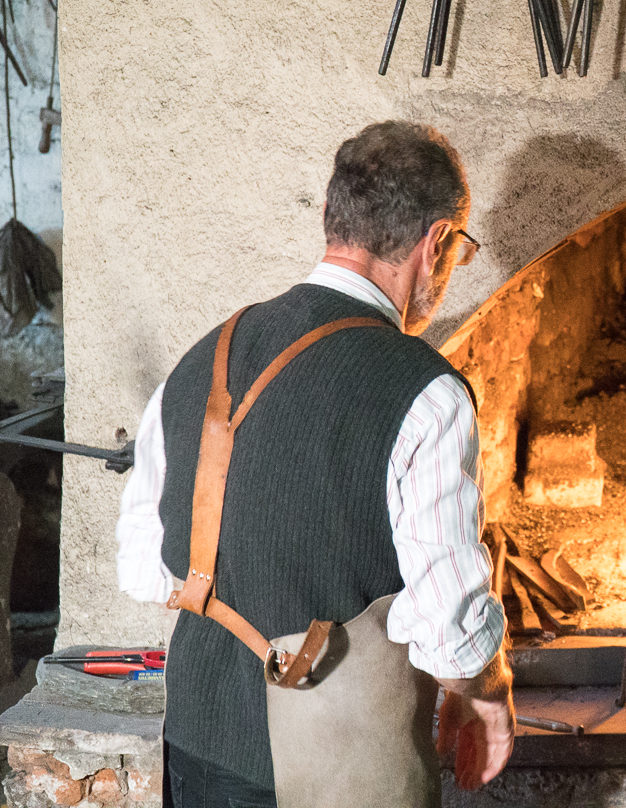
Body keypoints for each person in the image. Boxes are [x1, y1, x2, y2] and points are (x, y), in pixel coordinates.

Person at [116, 121, 513, 808]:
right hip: (336, 769)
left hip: (196, 750)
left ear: (333, 220)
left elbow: (144, 570)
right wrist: (490, 693)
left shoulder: (203, 356)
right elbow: (451, 635)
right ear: (437, 242)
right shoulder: (426, 393)